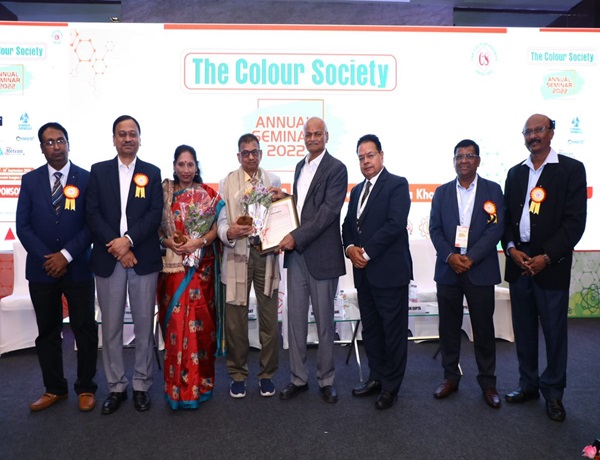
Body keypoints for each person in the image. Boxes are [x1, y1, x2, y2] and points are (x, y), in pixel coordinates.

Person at [502, 114, 587, 422]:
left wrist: (546, 257)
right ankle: (528, 384)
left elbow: (574, 223)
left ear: (551, 132)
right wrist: (511, 249)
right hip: (519, 263)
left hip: (551, 265)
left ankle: (553, 393)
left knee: (554, 333)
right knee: (524, 330)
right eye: (528, 132)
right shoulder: (515, 173)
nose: (533, 136)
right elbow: (505, 218)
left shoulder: (571, 169)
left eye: (539, 130)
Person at [16, 122, 98, 412]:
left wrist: (66, 255)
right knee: (48, 331)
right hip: (42, 271)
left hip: (78, 267)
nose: (56, 146)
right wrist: (48, 258)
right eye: (49, 142)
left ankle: (86, 387)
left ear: (68, 143)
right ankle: (54, 389)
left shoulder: (86, 179)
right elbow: (23, 226)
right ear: (42, 148)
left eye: (60, 140)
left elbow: (92, 224)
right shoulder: (30, 181)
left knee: (84, 328)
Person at [86, 115, 163, 415]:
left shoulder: (152, 172)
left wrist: (128, 241)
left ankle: (142, 384)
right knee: (112, 328)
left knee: (144, 327)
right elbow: (92, 214)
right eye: (122, 134)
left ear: (140, 139)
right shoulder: (99, 171)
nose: (128, 138)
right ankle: (116, 386)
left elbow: (154, 214)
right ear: (114, 139)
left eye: (133, 133)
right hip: (109, 259)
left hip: (143, 259)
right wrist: (119, 247)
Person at [271, 116, 348, 404]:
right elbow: (304, 207)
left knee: (325, 322)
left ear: (327, 136)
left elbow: (327, 212)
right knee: (295, 321)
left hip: (322, 256)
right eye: (308, 134)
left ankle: (326, 379)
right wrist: (285, 198)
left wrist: (295, 237)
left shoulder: (337, 169)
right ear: (303, 137)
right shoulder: (299, 167)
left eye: (318, 134)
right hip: (297, 257)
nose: (313, 138)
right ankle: (298, 378)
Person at [429, 139, 505, 409]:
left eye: (469, 156)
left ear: (478, 161)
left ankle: (488, 383)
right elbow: (435, 229)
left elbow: (496, 229)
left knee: (483, 328)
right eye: (459, 156)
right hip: (448, 270)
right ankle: (450, 377)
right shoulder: (441, 192)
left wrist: (470, 258)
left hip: (480, 269)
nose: (463, 160)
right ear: (454, 161)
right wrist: (451, 257)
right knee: (449, 328)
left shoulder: (493, 190)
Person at [341, 134, 412, 410]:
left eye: (370, 155)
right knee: (371, 330)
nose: (366, 161)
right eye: (361, 157)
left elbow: (395, 225)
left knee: (393, 332)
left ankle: (391, 387)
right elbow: (348, 225)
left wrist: (366, 253)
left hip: (389, 273)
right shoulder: (357, 190)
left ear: (381, 155)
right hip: (364, 275)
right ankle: (376, 377)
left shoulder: (397, 184)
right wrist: (350, 248)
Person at [217, 133, 281, 399]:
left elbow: (280, 217)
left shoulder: (273, 181)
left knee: (269, 320)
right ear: (238, 156)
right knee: (235, 322)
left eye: (255, 152)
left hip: (266, 256)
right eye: (246, 153)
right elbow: (220, 222)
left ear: (261, 154)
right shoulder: (227, 183)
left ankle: (267, 375)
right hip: (237, 255)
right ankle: (238, 374)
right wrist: (229, 233)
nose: (251, 157)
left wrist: (280, 236)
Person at [157, 144, 221, 410]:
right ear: (174, 166)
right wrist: (168, 242)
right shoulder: (164, 193)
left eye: (190, 164)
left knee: (201, 328)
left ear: (197, 167)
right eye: (181, 164)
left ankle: (200, 384)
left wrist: (198, 242)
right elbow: (157, 230)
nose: (185, 169)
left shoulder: (207, 194)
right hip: (173, 271)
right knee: (175, 327)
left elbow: (216, 229)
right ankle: (176, 388)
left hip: (200, 270)